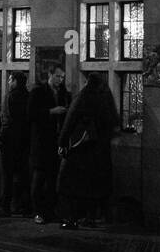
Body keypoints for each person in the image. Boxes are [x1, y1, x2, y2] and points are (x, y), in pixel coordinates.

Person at [56, 72, 119, 229]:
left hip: (82, 148)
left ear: (87, 82)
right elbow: (113, 122)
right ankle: (91, 218)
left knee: (68, 183)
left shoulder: (83, 96)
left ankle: (71, 219)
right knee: (93, 186)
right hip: (100, 150)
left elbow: (70, 120)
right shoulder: (106, 97)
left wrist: (62, 141)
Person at [28, 63, 69, 224]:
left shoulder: (63, 93)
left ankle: (50, 211)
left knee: (52, 180)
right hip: (41, 142)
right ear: (50, 75)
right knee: (39, 179)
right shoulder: (38, 92)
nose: (60, 80)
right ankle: (38, 211)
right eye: (58, 76)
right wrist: (51, 111)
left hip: (55, 142)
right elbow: (31, 114)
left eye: (62, 77)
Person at [0, 71, 31, 217]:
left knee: (7, 175)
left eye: (10, 80)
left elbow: (8, 120)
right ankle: (23, 205)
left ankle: (5, 206)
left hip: (9, 141)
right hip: (24, 141)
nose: (9, 82)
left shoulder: (10, 96)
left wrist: (1, 136)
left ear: (15, 81)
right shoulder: (28, 96)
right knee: (23, 175)